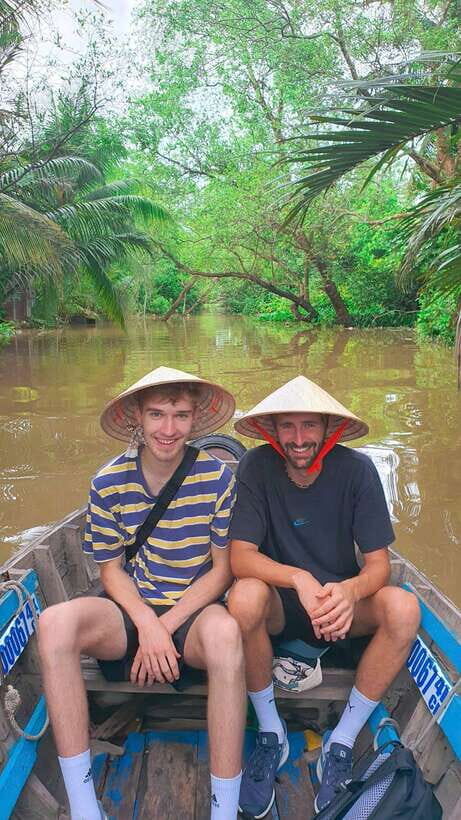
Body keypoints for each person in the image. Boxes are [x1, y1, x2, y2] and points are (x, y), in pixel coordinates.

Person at [38, 366, 246, 820]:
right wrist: (147, 624)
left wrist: (166, 625)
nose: (168, 430)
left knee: (228, 636)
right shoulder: (108, 481)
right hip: (130, 609)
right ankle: (83, 807)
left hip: (192, 612)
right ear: (137, 416)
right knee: (54, 623)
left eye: (180, 415)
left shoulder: (217, 479)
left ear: (195, 420)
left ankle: (225, 809)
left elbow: (221, 572)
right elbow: (111, 571)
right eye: (156, 414)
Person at [227, 375, 421, 817]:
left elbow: (378, 565)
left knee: (403, 607)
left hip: (339, 609)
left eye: (309, 426)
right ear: (272, 431)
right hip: (279, 606)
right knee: (243, 598)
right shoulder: (255, 468)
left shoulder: (357, 471)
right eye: (288, 427)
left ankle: (342, 740)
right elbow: (240, 557)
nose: (299, 440)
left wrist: (349, 592)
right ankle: (271, 732)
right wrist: (297, 577)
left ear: (328, 429)